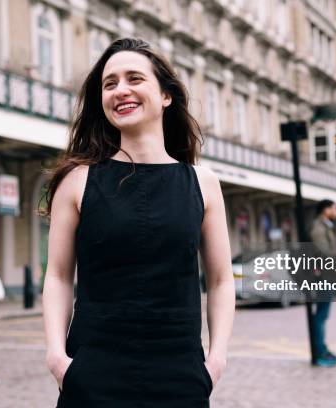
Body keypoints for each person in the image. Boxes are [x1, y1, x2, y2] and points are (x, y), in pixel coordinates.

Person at [42, 38, 235, 407]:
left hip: (181, 373)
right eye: (109, 83)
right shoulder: (78, 180)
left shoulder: (203, 183)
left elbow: (222, 279)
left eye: (134, 78)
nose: (121, 90)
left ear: (165, 96)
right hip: (93, 371)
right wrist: (57, 357)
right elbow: (58, 275)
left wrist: (217, 359)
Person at [309, 199, 336, 367]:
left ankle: (322, 349)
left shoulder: (325, 227)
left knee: (322, 315)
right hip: (323, 277)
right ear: (326, 210)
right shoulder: (319, 229)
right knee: (321, 316)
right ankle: (320, 352)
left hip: (327, 276)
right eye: (335, 208)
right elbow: (325, 253)